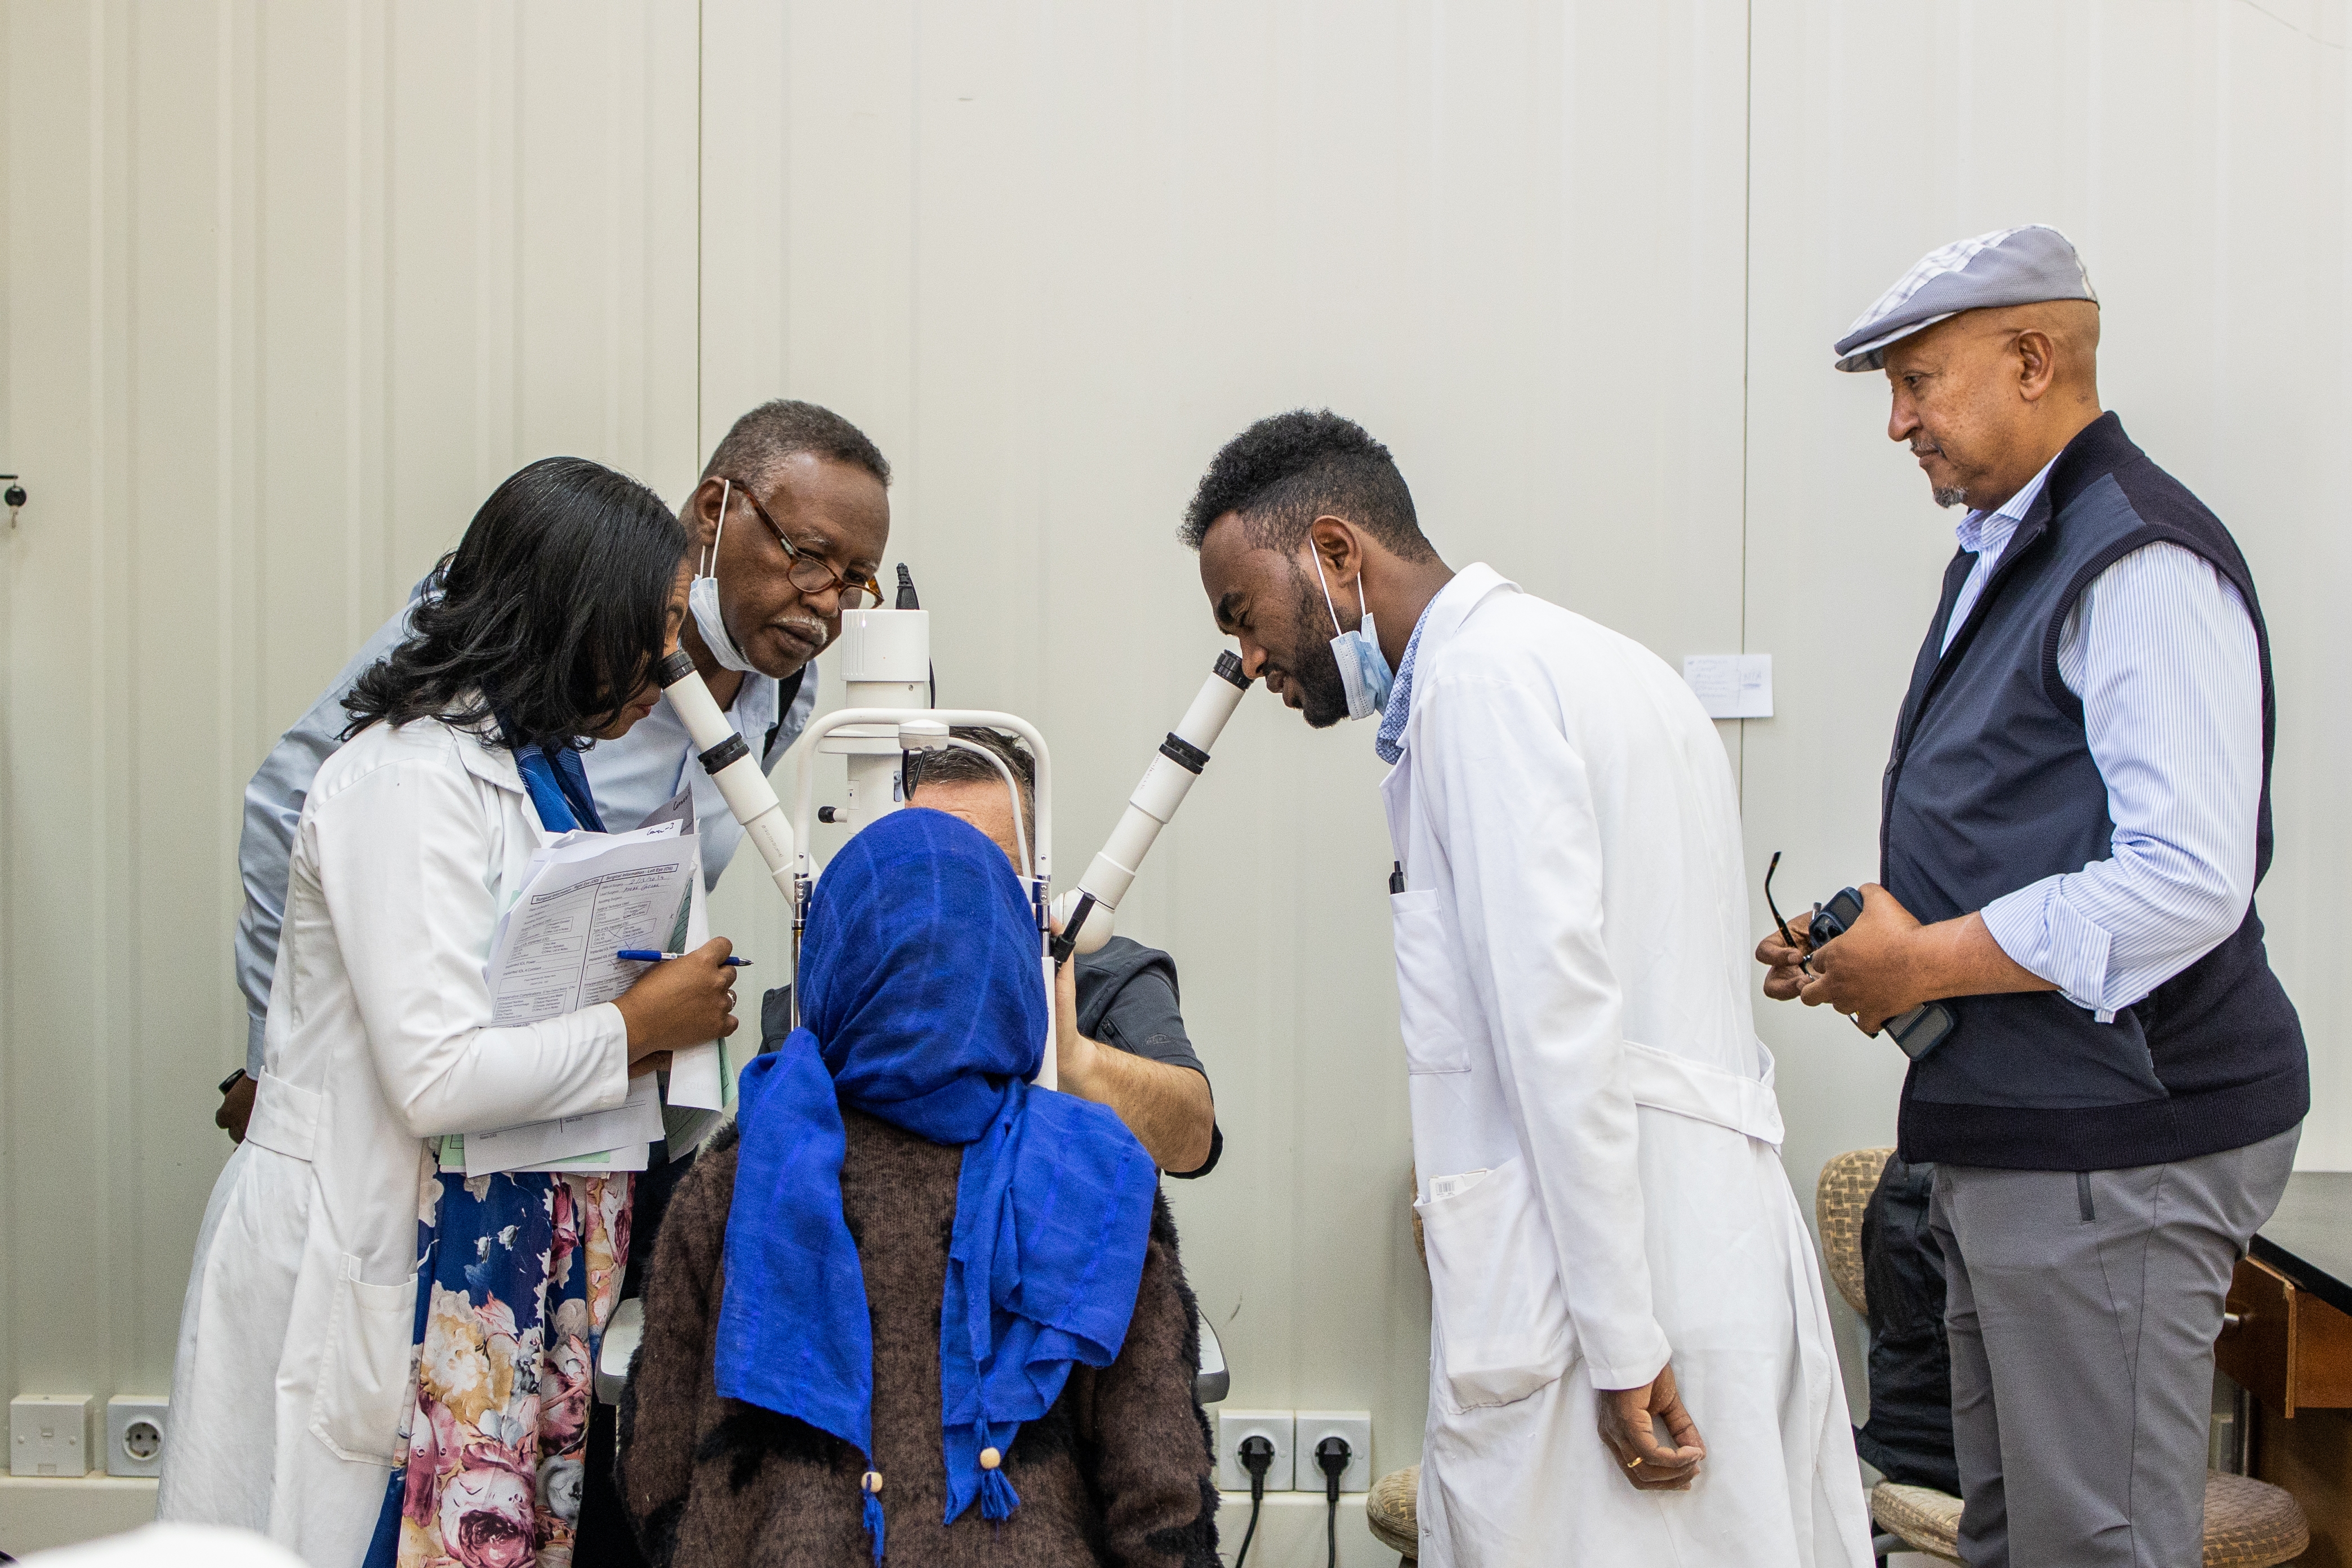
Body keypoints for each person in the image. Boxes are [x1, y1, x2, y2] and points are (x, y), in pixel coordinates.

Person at [1184, 410, 1872, 1566]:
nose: (1248, 661)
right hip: (1705, 1243)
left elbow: (1559, 1031)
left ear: (1336, 555)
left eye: (1243, 615)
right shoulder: (1611, 667)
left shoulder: (1482, 688)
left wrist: (1618, 1341)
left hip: (1609, 1286)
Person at [1755, 225, 2308, 1567]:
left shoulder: (2137, 557)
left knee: (2087, 1543)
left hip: (2116, 1138)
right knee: (2016, 1537)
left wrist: (1926, 958)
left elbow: (2184, 881)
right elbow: (2033, 820)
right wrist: (1873, 948)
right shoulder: (2016, 543)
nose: (1895, 422)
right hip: (2029, 1134)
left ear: (2030, 357)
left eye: (1917, 381)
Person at [156, 458, 743, 1568]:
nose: (669, 670)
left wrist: (630, 1021)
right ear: (574, 617)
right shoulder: (406, 781)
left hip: (445, 1267)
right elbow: (436, 1074)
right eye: (654, 629)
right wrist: (636, 1028)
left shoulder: (521, 771)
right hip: (353, 1252)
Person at [215, 398, 891, 1140]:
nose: (828, 603)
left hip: (611, 1117)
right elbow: (299, 803)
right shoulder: (477, 668)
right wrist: (272, 1057)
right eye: (807, 555)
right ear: (714, 510)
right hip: (461, 1105)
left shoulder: (787, 687)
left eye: (856, 579)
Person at [616, 808, 1217, 1567]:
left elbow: (654, 1464)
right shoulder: (1095, 1180)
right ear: (1009, 961)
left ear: (832, 959)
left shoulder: (741, 1178)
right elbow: (1162, 1487)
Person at [902, 727, 1220, 1175]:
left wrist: (1071, 1054)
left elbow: (1191, 1140)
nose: (955, 901)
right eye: (927, 869)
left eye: (990, 870)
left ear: (1035, 870)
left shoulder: (1108, 976)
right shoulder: (827, 999)